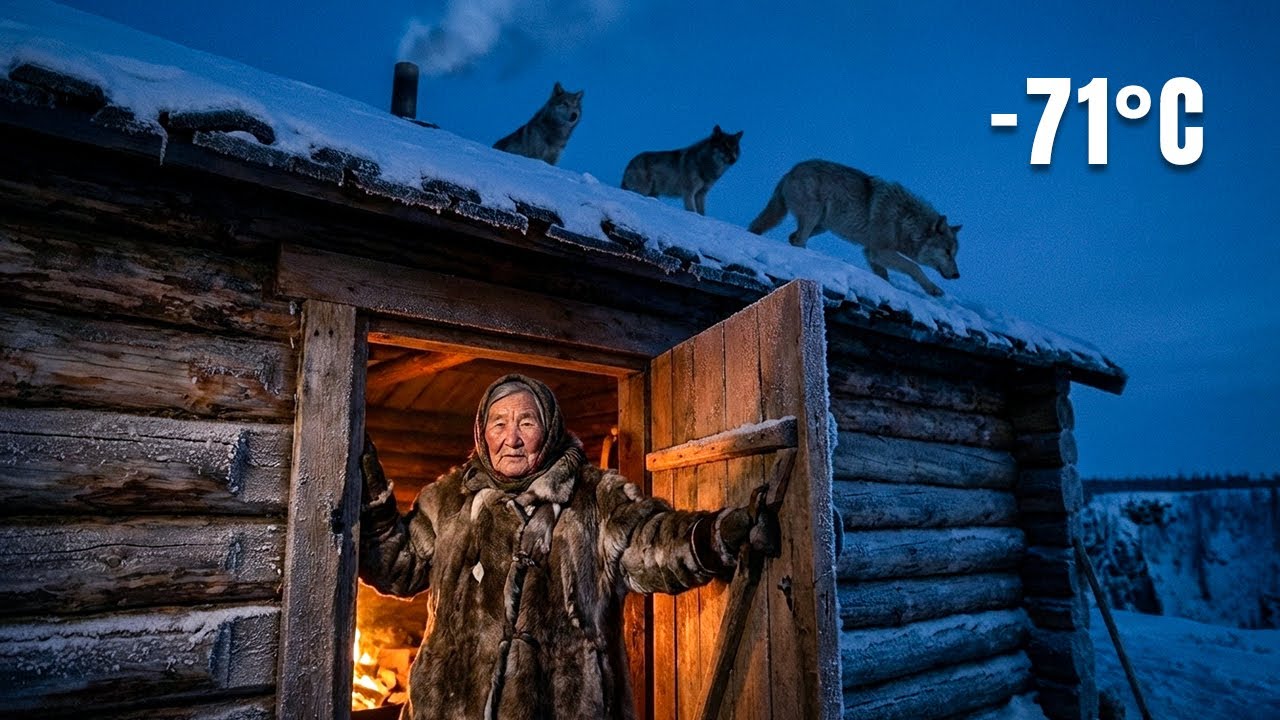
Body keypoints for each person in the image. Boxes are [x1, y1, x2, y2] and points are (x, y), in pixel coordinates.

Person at [359, 373, 777, 720]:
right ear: (482, 432)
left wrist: (721, 535)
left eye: (526, 421)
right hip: (450, 708)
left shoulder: (594, 498)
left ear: (550, 427)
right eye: (499, 423)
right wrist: (372, 496)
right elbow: (399, 566)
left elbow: (653, 543)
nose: (512, 438)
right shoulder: (447, 501)